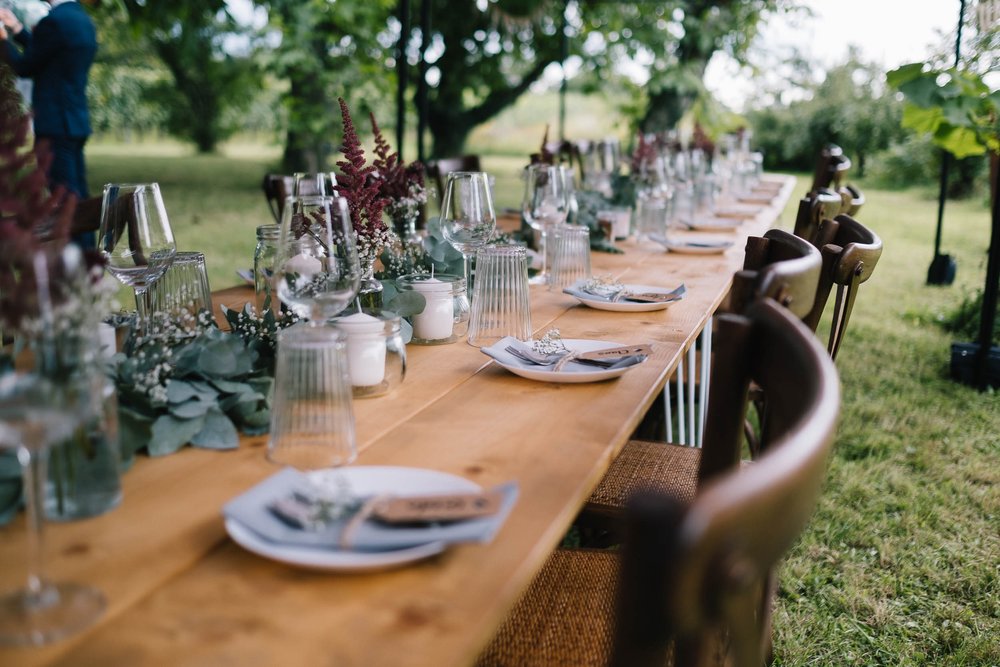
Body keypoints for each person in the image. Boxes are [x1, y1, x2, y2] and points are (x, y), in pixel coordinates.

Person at [0, 0, 97, 247]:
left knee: (65, 199)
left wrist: (2, 39)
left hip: (54, 122)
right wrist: (17, 29)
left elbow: (24, 66)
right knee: (80, 198)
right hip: (75, 120)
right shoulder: (80, 19)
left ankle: (83, 263)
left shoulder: (53, 21)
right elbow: (46, 54)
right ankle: (91, 257)